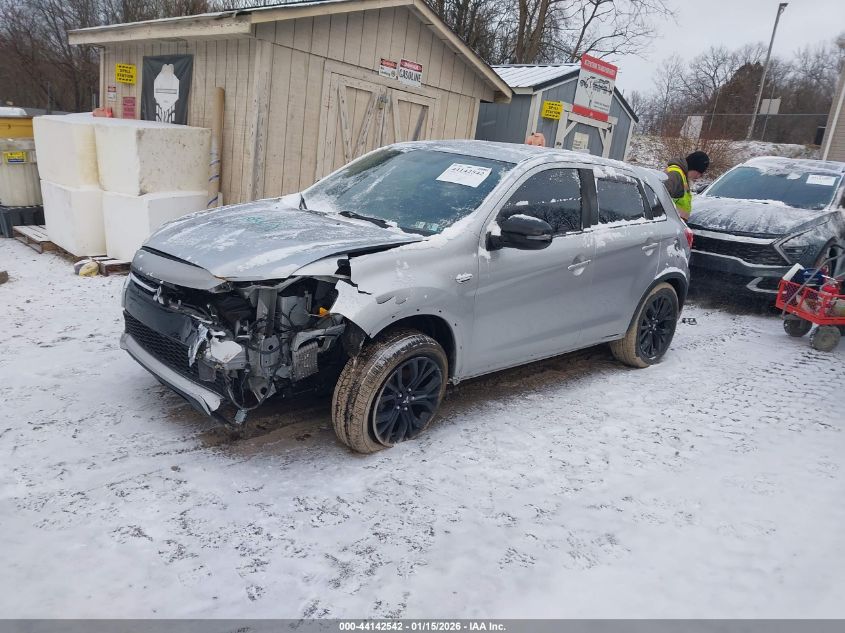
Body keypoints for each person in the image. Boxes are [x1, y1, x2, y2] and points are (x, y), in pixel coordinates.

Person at [665, 150, 710, 221]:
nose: (698, 176)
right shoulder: (675, 175)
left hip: (676, 224)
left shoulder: (682, 176)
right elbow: (660, 199)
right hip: (670, 225)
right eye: (699, 172)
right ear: (693, 167)